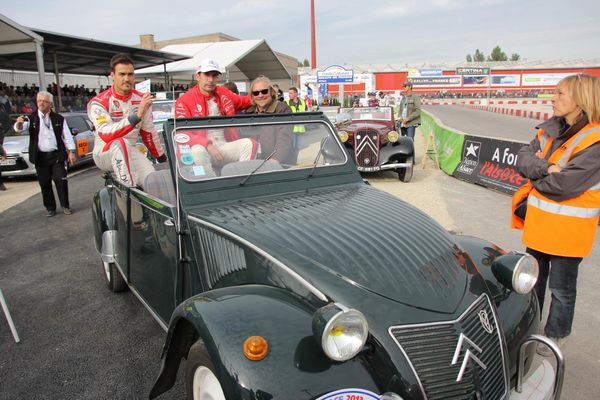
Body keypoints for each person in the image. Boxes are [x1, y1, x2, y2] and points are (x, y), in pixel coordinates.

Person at [511, 73, 600, 356]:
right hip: (539, 226)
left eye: (561, 94)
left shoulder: (594, 140)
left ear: (581, 100)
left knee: (562, 291)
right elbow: (522, 159)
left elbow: (564, 185)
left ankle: (553, 338)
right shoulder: (548, 130)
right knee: (531, 283)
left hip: (567, 233)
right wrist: (547, 168)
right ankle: (531, 329)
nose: (554, 98)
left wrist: (537, 172)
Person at [87, 53, 167, 188]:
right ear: (112, 76)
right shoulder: (99, 102)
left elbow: (149, 132)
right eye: (122, 74)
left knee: (153, 181)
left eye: (130, 74)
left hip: (131, 149)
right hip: (105, 151)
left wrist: (162, 158)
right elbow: (106, 134)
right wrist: (136, 116)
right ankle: (130, 191)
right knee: (120, 143)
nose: (127, 79)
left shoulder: (142, 99)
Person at [175, 59, 254, 175]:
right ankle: (210, 186)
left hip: (224, 147)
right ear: (198, 76)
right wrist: (206, 144)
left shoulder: (223, 92)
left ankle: (241, 183)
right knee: (197, 150)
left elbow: (244, 101)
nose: (211, 80)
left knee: (249, 144)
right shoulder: (184, 100)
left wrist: (263, 94)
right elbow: (181, 133)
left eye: (214, 75)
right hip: (203, 150)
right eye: (207, 75)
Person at [14, 91, 77, 216]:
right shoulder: (31, 118)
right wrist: (19, 123)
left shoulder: (59, 118)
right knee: (44, 183)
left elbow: (67, 136)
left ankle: (65, 205)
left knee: (61, 180)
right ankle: (50, 208)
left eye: (45, 101)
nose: (41, 103)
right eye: (39, 101)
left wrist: (71, 151)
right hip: (40, 157)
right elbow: (19, 127)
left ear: (50, 104)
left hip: (56, 155)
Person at [245, 76, 295, 165]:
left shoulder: (283, 110)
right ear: (252, 96)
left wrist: (276, 159)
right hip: (253, 164)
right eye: (256, 93)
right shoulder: (248, 113)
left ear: (271, 92)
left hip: (278, 164)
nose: (260, 95)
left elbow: (285, 138)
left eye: (264, 91)